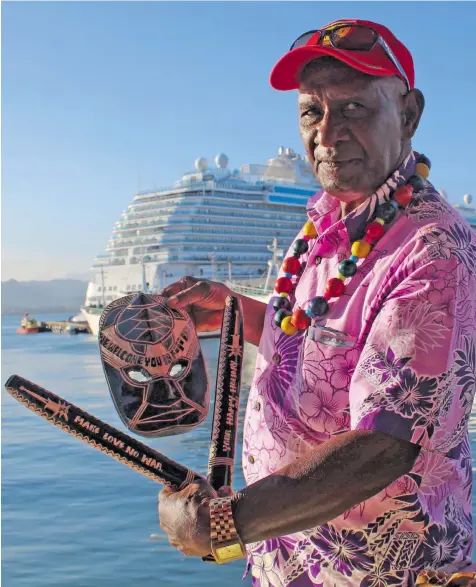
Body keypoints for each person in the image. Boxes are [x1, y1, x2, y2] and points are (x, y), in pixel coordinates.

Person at [158, 19, 476, 587]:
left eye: (354, 108)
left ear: (408, 114)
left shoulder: (434, 251)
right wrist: (242, 314)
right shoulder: (326, 226)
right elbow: (319, 340)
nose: (327, 135)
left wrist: (226, 524)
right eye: (312, 111)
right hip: (291, 561)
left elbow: (384, 447)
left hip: (384, 575)